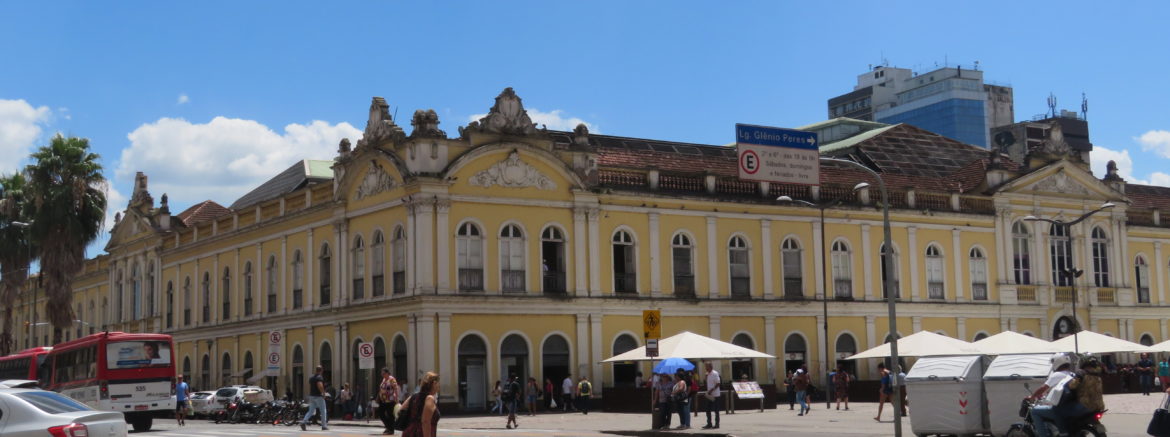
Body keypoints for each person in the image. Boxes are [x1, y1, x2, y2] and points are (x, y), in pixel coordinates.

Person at [1028, 353, 1076, 437]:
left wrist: (1032, 397)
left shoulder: (1057, 375)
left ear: (1056, 363)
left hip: (1061, 408)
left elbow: (1043, 388)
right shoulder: (1072, 374)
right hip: (1071, 406)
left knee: (1034, 411)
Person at [402, 371, 440, 437]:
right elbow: (425, 421)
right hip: (421, 433)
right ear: (434, 383)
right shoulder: (429, 398)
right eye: (438, 384)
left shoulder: (413, 396)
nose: (438, 387)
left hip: (409, 432)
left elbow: (401, 410)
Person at [300, 365, 330, 431]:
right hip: (318, 396)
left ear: (316, 370)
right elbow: (320, 386)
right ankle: (324, 426)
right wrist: (323, 394)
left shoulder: (311, 378)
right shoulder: (319, 377)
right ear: (321, 370)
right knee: (323, 411)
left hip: (312, 396)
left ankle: (303, 422)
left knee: (311, 411)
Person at [377, 367, 400, 435]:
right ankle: (388, 427)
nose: (382, 375)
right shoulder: (384, 379)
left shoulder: (391, 379)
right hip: (383, 400)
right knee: (381, 413)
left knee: (390, 415)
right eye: (382, 374)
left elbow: (395, 388)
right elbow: (381, 389)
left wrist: (396, 398)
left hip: (390, 400)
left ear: (387, 373)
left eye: (384, 373)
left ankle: (391, 429)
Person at [702, 362, 720, 429]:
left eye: (707, 366)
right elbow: (707, 384)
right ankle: (709, 424)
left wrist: (712, 390)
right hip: (709, 395)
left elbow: (718, 383)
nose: (706, 368)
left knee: (716, 410)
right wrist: (705, 378)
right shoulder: (707, 374)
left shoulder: (715, 373)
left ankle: (717, 424)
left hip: (715, 395)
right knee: (708, 409)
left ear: (710, 367)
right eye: (705, 367)